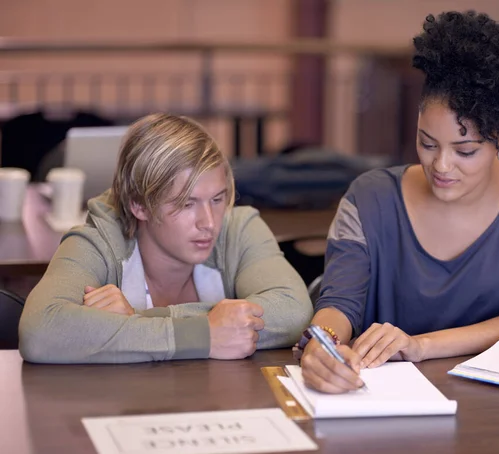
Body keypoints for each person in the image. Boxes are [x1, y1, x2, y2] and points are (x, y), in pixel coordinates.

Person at [298, 11, 499, 393]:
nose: (441, 165)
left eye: (465, 150)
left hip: (488, 400)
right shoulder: (369, 197)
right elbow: (340, 303)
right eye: (427, 143)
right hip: (383, 398)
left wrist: (420, 345)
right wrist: (323, 344)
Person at [19, 113, 313, 364]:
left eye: (217, 199)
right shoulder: (99, 240)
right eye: (186, 204)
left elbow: (293, 313)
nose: (209, 223)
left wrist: (136, 318)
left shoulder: (237, 226)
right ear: (139, 205)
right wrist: (202, 334)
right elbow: (40, 330)